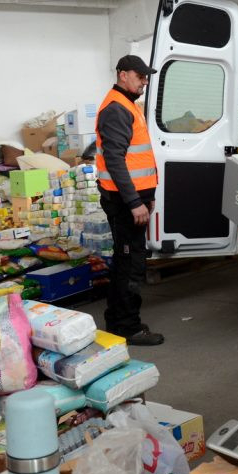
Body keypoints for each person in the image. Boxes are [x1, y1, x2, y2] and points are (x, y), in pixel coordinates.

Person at [95, 55, 164, 346]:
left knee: (127, 260)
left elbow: (138, 158)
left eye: (146, 76)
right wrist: (135, 202)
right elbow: (115, 160)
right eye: (140, 76)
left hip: (132, 199)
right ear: (123, 75)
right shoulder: (116, 108)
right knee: (130, 264)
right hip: (124, 202)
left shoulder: (128, 105)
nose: (145, 81)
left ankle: (117, 321)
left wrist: (147, 197)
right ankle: (127, 327)